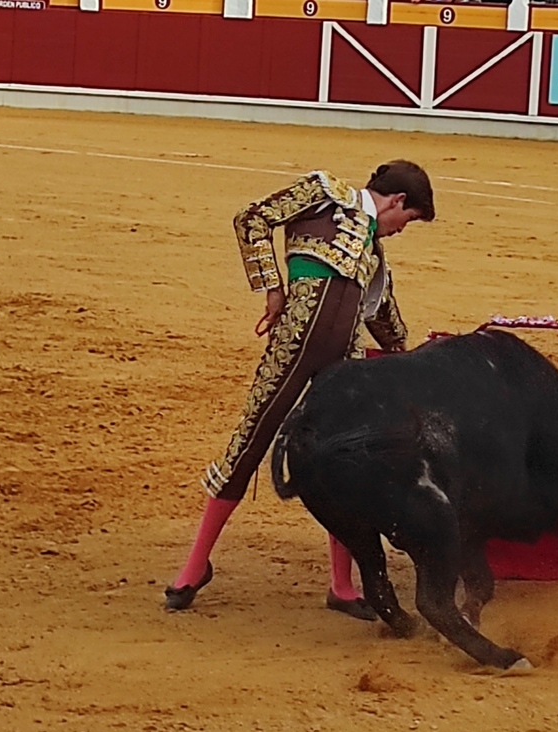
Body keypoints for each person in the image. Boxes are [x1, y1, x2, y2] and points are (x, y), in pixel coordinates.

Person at [165, 161, 435, 618]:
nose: (400, 231)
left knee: (344, 464)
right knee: (249, 443)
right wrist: (272, 288)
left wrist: (414, 356)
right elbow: (252, 220)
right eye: (406, 221)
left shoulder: (374, 258)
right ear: (397, 201)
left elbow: (385, 321)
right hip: (290, 346)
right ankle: (194, 567)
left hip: (343, 367)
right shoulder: (323, 193)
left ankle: (342, 587)